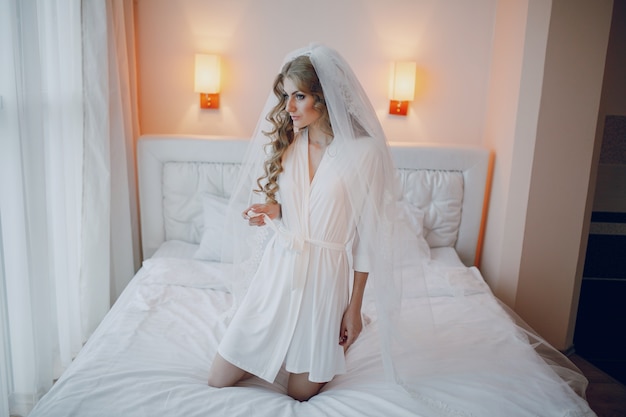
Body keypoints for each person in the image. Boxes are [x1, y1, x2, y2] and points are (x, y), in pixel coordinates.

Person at [207, 44, 402, 401]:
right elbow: (302, 207)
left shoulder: (364, 152)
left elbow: (367, 236)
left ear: (324, 98)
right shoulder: (290, 144)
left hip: (325, 279)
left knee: (300, 392)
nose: (289, 107)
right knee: (219, 378)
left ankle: (328, 341)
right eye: (286, 96)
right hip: (278, 271)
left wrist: (353, 308)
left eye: (299, 96)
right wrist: (274, 210)